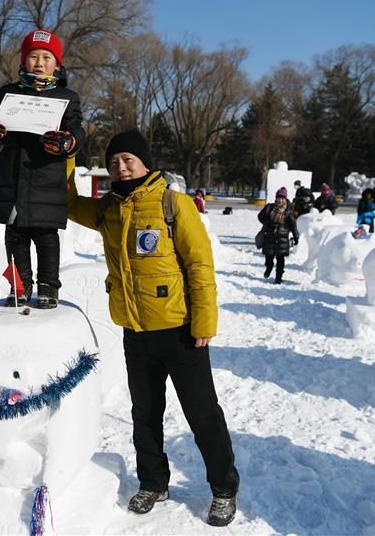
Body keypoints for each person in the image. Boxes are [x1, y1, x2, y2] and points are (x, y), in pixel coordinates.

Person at [66, 130, 239, 526]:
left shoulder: (172, 204)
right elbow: (70, 203)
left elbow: (199, 266)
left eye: (127, 159)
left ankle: (224, 489)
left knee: (202, 414)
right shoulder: (108, 209)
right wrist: (66, 156)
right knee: (145, 413)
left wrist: (204, 322)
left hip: (180, 332)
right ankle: (154, 482)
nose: (120, 167)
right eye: (113, 162)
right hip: (136, 333)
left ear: (145, 163)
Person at [0, 29, 85, 309]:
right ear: (23, 62)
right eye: (33, 56)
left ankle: (49, 288)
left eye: (46, 57)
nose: (39, 63)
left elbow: (77, 132)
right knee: (14, 236)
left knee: (46, 237)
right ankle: (19, 286)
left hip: (46, 182)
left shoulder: (67, 97)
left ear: (57, 64)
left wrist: (68, 142)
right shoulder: (8, 92)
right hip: (13, 180)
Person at [258, 187, 299, 284]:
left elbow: (293, 226)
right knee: (269, 257)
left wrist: (296, 237)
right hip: (269, 237)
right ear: (276, 198)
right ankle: (268, 268)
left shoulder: (288, 211)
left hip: (282, 239)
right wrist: (267, 222)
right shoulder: (269, 207)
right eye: (278, 197)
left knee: (280, 260)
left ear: (285, 199)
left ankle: (278, 278)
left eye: (282, 198)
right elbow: (260, 216)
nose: (280, 200)